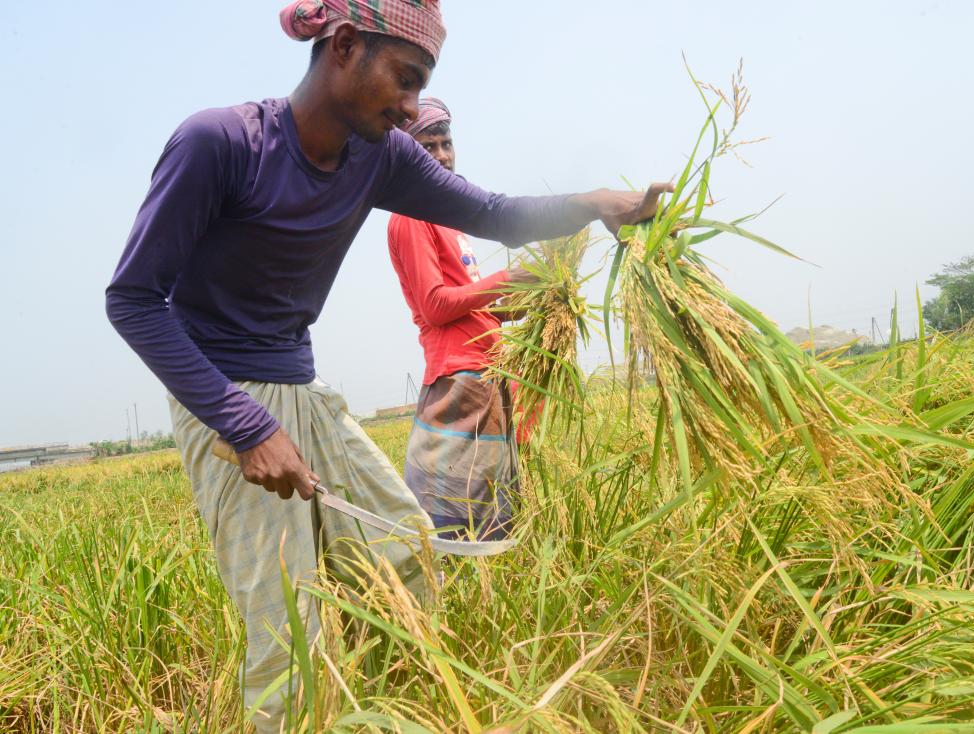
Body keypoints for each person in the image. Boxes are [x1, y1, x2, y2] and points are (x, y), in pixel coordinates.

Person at [104, 1, 670, 730]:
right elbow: (134, 300)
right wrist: (245, 426)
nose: (411, 109)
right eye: (405, 81)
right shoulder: (221, 143)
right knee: (287, 627)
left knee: (404, 551)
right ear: (343, 46)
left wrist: (596, 204)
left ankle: (386, 715)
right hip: (223, 396)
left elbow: (492, 212)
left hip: (302, 388)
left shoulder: (381, 156)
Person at [388, 97, 530, 542]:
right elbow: (434, 304)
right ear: (407, 156)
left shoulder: (449, 220)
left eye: (446, 143)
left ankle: (493, 596)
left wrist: (514, 304)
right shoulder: (410, 217)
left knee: (494, 517)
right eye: (427, 147)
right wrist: (505, 279)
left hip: (487, 376)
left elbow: (469, 304)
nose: (442, 156)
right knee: (448, 519)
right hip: (458, 380)